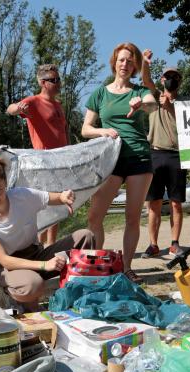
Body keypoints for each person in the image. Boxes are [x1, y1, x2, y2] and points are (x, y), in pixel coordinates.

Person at [0, 152, 95, 311]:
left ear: (6, 184)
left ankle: (77, 295)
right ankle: (11, 294)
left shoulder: (22, 196)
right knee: (33, 286)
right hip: (10, 268)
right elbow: (5, 260)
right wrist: (45, 265)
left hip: (36, 254)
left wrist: (64, 197)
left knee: (86, 236)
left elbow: (52, 198)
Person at [82, 42, 157, 283]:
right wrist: (103, 132)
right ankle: (97, 265)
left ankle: (126, 268)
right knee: (94, 217)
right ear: (114, 62)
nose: (125, 64)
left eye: (130, 61)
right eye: (121, 59)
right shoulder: (100, 93)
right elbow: (86, 129)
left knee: (132, 217)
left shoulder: (138, 91)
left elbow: (153, 104)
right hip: (110, 160)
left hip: (138, 158)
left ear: (135, 66)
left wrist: (141, 104)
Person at [6, 64, 69, 247]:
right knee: (43, 205)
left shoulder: (58, 104)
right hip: (44, 163)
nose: (58, 83)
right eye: (54, 80)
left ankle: (51, 247)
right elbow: (10, 109)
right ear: (43, 82)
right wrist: (17, 108)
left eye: (58, 79)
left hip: (62, 162)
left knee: (58, 204)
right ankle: (39, 247)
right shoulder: (33, 101)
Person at [139, 51, 190, 257]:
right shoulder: (153, 95)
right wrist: (144, 62)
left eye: (175, 78)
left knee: (176, 203)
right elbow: (145, 78)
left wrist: (170, 108)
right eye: (168, 77)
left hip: (177, 155)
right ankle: (153, 244)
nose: (171, 80)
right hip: (155, 154)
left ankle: (175, 243)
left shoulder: (185, 104)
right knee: (154, 203)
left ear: (180, 82)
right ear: (162, 79)